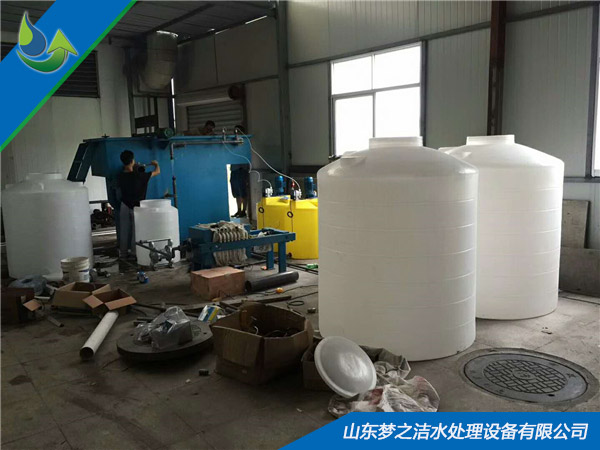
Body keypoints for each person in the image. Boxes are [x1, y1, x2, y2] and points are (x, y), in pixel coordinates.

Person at [117, 150, 160, 258]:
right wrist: (155, 164)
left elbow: (128, 173)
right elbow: (157, 172)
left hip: (124, 205)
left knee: (124, 230)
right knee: (136, 230)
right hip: (136, 207)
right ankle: (134, 252)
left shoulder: (121, 175)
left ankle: (123, 253)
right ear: (132, 160)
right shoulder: (140, 176)